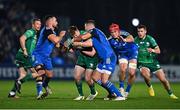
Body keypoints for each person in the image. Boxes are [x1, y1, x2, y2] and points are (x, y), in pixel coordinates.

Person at [74, 20, 125, 101]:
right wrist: (78, 45)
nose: (84, 28)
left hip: (108, 57)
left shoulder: (94, 31)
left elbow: (83, 37)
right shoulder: (95, 35)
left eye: (85, 26)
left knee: (104, 80)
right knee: (95, 77)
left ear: (88, 26)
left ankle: (120, 95)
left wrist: (72, 41)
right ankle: (111, 93)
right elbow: (89, 44)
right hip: (103, 59)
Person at [134, 24, 178, 99]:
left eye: (141, 31)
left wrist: (153, 50)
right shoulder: (135, 40)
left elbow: (159, 51)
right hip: (142, 62)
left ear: (145, 32)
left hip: (153, 62)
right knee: (146, 76)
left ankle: (171, 93)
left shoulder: (150, 39)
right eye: (138, 31)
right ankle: (150, 86)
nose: (140, 33)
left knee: (163, 80)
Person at [32, 15, 66, 99]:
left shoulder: (53, 33)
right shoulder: (47, 30)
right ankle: (39, 93)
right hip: (38, 55)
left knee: (49, 75)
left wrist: (71, 42)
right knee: (41, 73)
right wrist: (61, 35)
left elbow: (60, 47)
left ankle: (45, 85)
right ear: (49, 22)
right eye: (55, 20)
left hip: (46, 58)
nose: (57, 22)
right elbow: (55, 40)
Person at [8, 18, 41, 98]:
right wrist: (25, 50)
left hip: (19, 55)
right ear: (33, 25)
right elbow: (21, 38)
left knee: (23, 74)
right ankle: (19, 82)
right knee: (38, 73)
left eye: (40, 24)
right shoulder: (31, 32)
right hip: (24, 55)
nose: (39, 26)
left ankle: (12, 93)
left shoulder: (35, 34)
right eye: (37, 24)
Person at [68, 26, 98, 100]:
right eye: (73, 36)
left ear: (77, 30)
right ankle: (81, 95)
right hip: (82, 58)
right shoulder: (72, 38)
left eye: (75, 35)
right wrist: (69, 48)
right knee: (76, 76)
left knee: (87, 79)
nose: (75, 37)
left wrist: (77, 45)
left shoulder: (85, 34)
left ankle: (93, 92)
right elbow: (69, 48)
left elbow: (90, 44)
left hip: (91, 59)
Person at [108, 23, 138, 98]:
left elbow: (132, 38)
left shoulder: (123, 33)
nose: (113, 34)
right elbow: (107, 50)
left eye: (115, 32)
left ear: (118, 31)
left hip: (132, 52)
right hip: (122, 54)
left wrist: (124, 40)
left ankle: (127, 91)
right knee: (123, 69)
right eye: (112, 32)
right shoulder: (110, 40)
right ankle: (121, 87)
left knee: (132, 73)